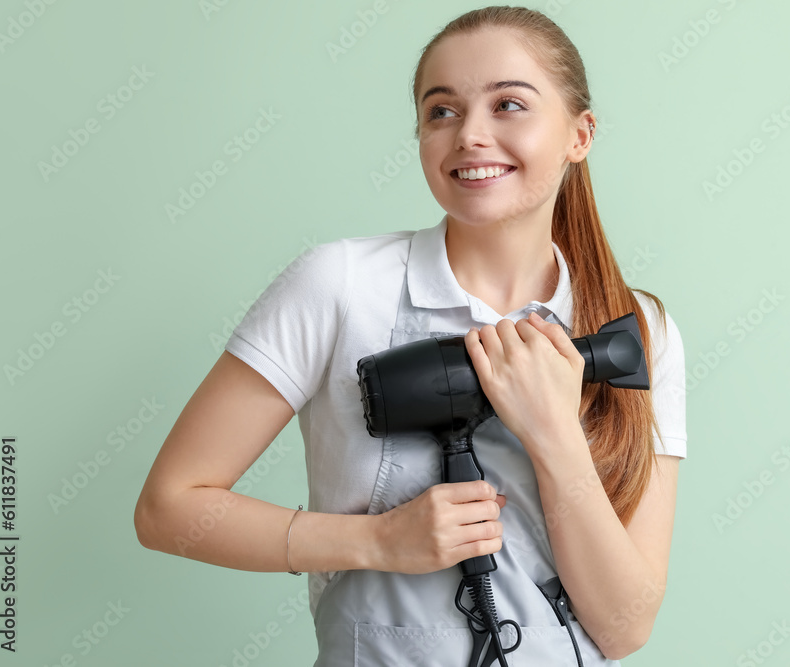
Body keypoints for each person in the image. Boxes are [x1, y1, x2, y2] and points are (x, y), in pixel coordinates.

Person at [134, 6, 686, 665]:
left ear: (579, 133)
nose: (470, 136)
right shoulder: (338, 286)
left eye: (508, 104)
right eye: (441, 111)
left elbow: (625, 630)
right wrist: (377, 541)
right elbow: (168, 508)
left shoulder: (638, 332)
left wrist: (554, 433)